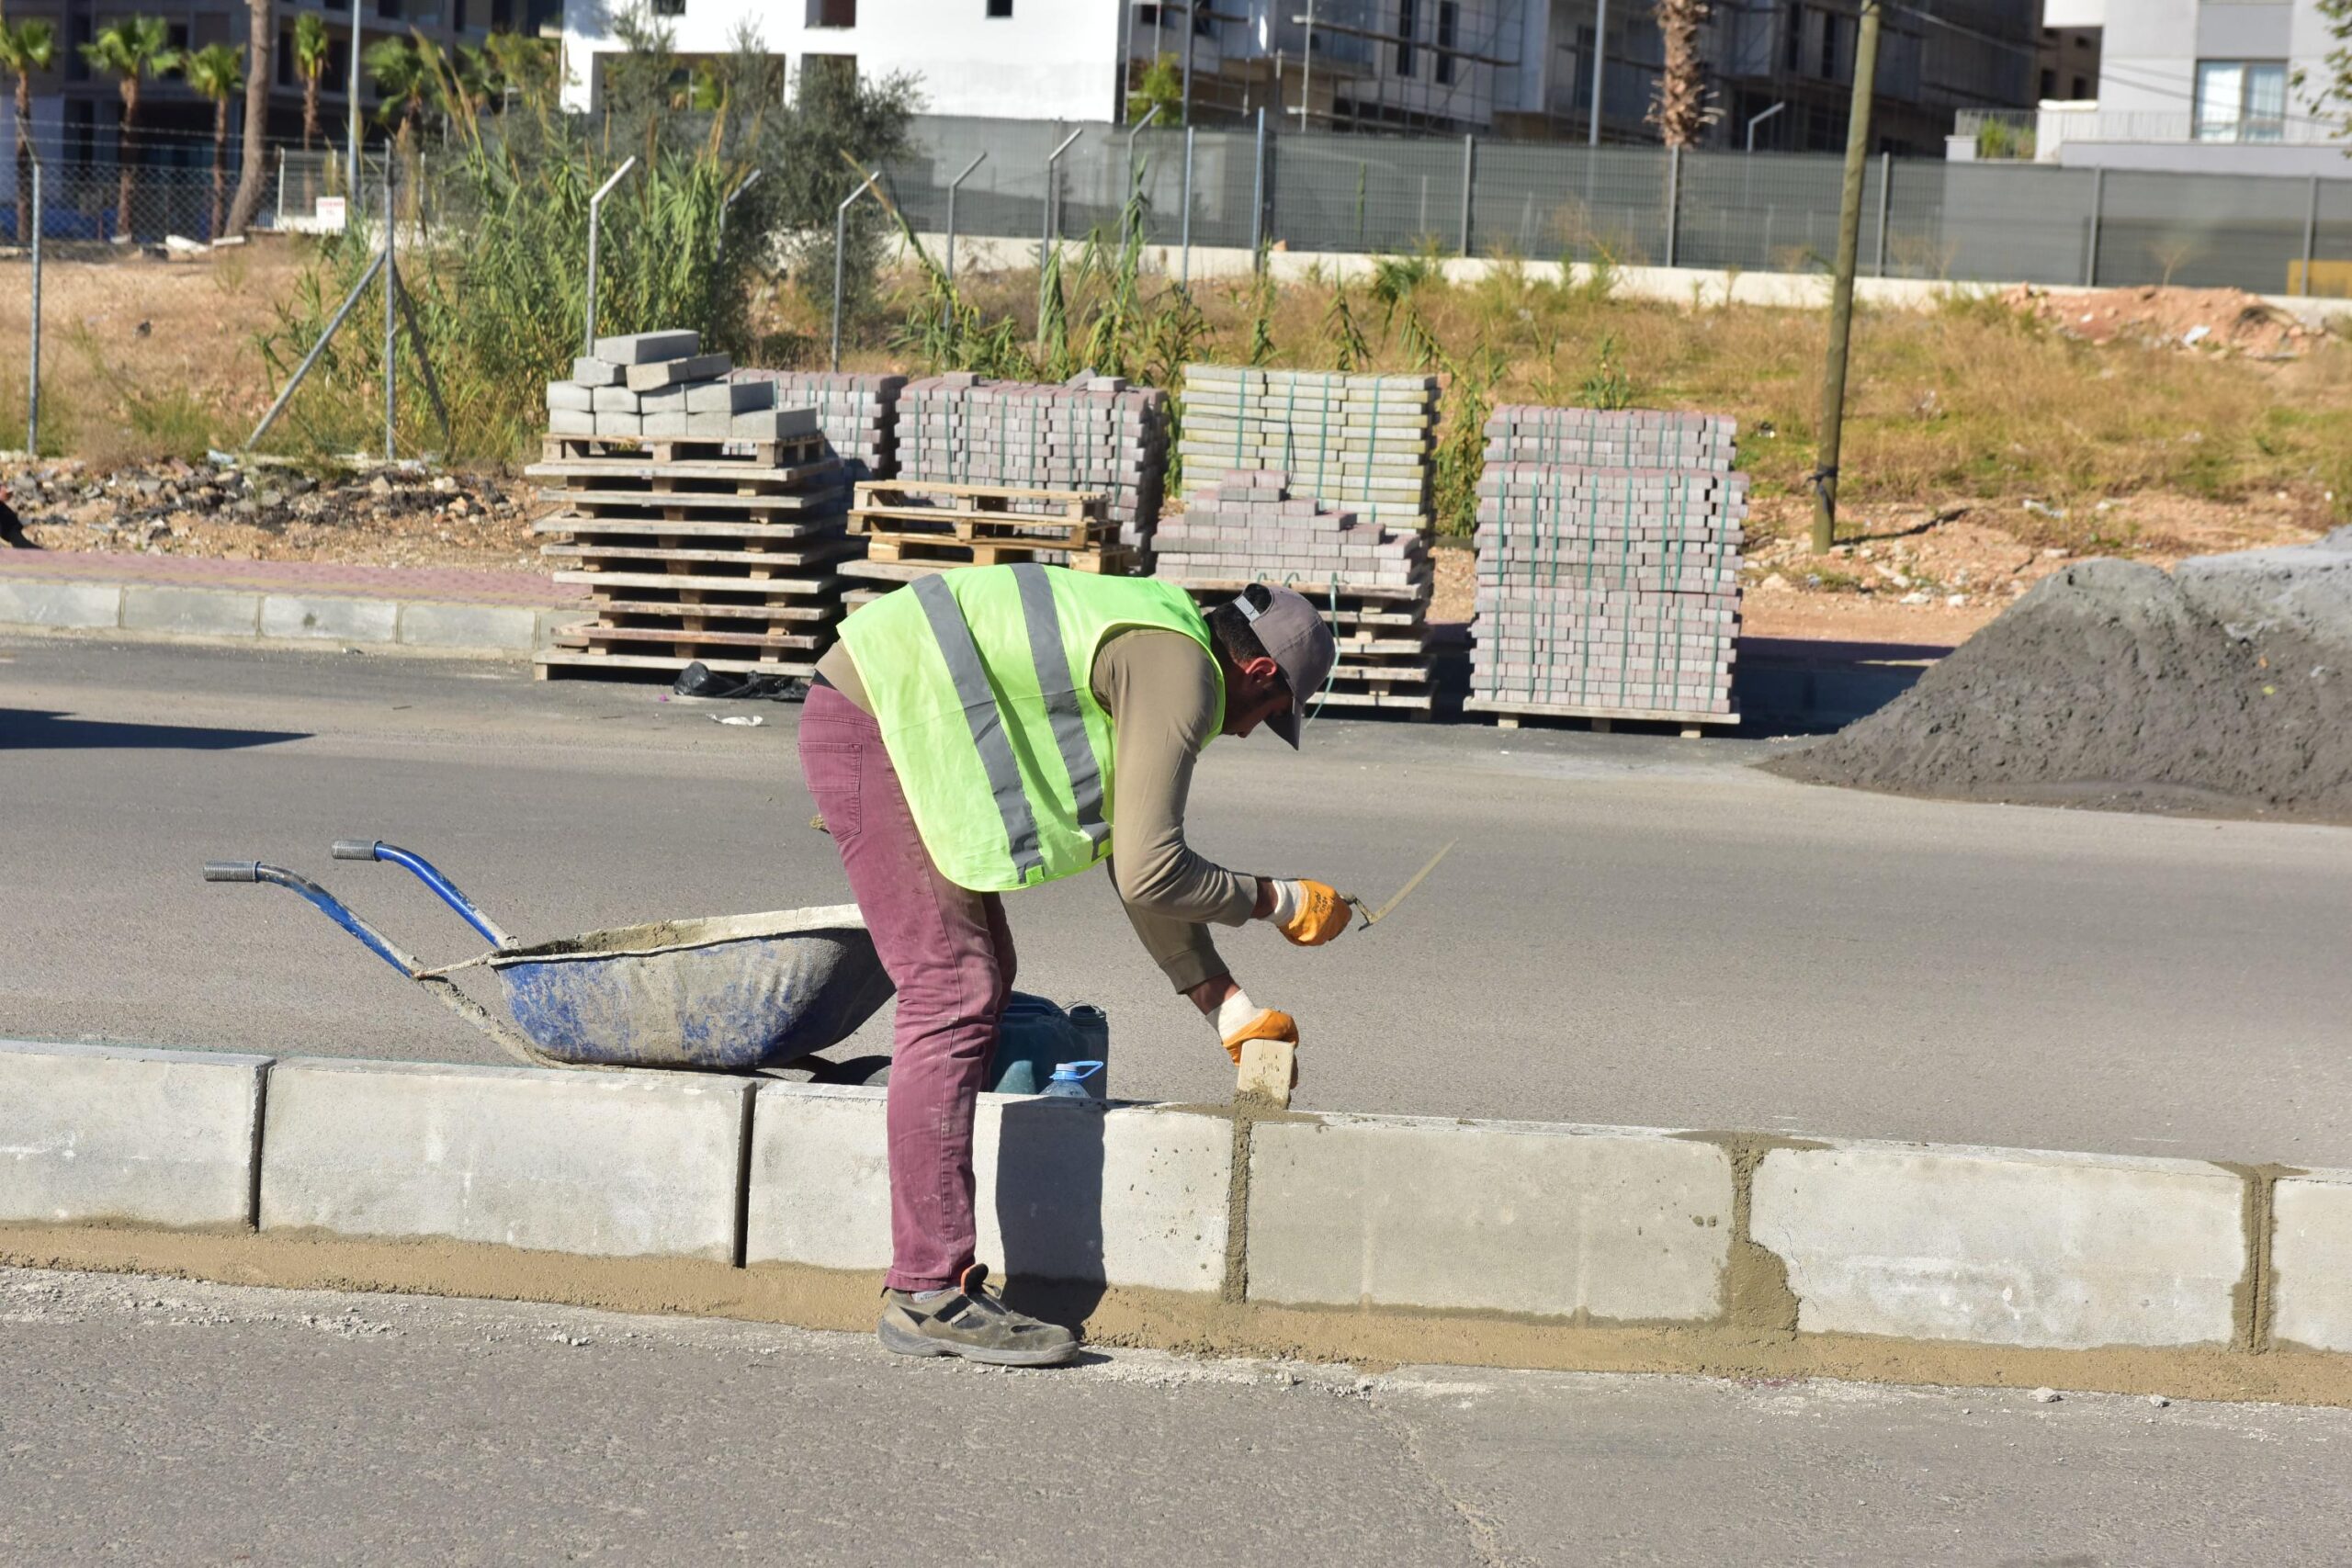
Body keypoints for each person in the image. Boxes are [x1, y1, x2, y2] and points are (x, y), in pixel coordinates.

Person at [798, 565, 1346, 1367]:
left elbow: (1138, 862)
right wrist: (1281, 899)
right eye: (1269, 714)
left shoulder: (1163, 633)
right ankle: (927, 1288)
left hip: (889, 710)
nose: (1250, 730)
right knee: (952, 988)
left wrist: (1224, 1003)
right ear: (1259, 673)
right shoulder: (1183, 672)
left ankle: (929, 1205)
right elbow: (1153, 870)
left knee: (980, 972)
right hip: (877, 720)